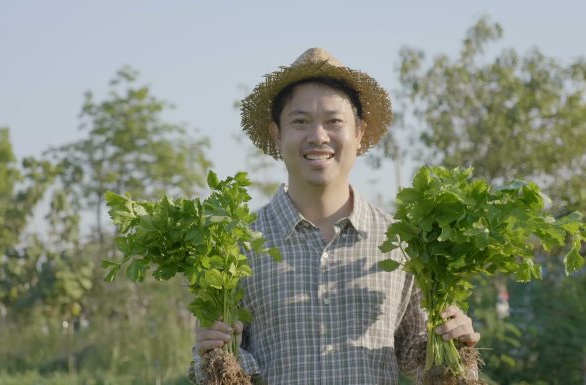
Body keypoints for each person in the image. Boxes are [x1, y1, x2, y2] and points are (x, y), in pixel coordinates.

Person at [191, 48, 480, 384]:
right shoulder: (237, 245)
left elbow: (415, 354)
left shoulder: (402, 240)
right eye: (300, 122)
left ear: (358, 132)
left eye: (334, 122)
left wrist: (454, 347)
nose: (318, 136)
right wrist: (211, 355)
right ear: (277, 134)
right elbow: (222, 363)